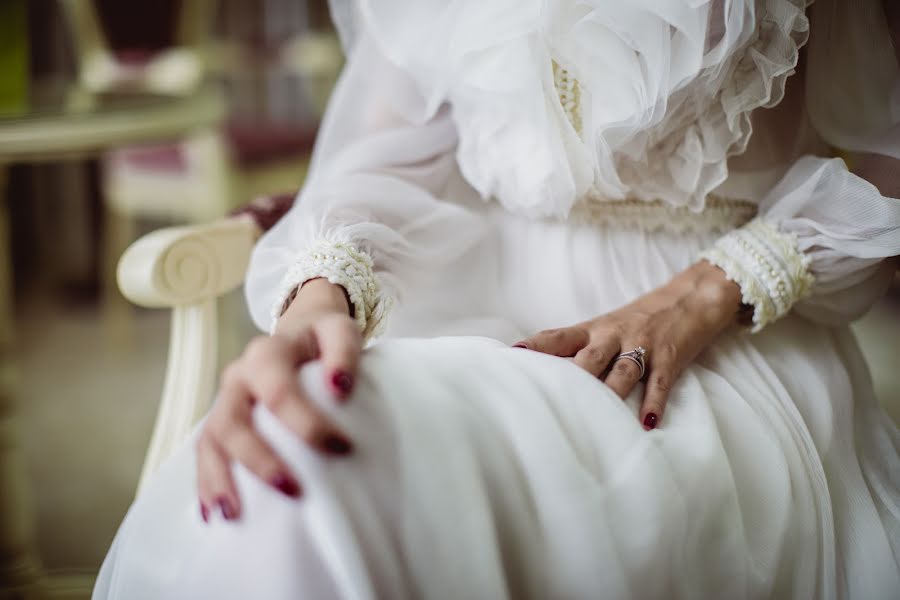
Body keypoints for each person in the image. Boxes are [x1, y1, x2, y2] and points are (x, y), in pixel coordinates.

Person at [94, 1, 900, 598]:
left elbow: (887, 159)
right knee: (297, 455)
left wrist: (704, 293)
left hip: (714, 336)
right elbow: (380, 158)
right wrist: (314, 306)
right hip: (470, 300)